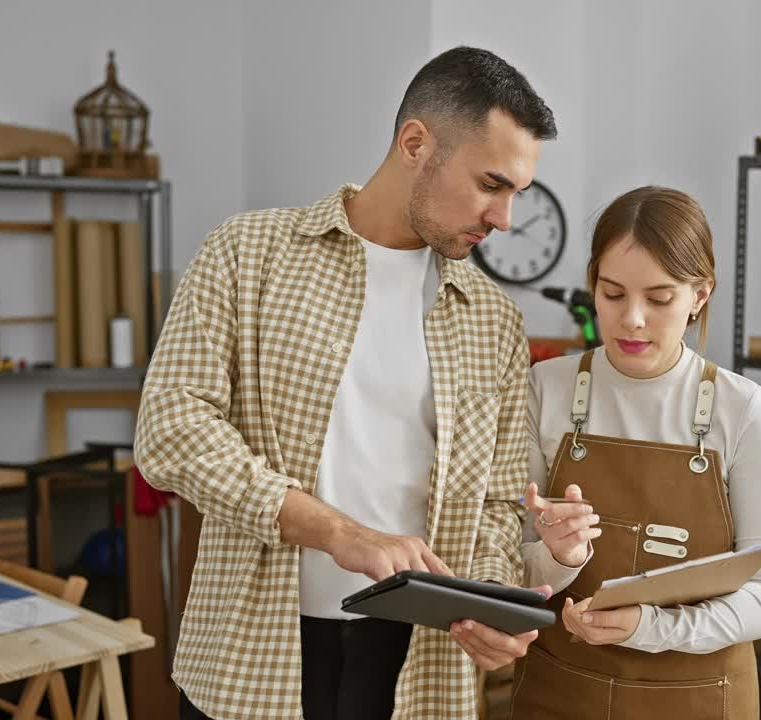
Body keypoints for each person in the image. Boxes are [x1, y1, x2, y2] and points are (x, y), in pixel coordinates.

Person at [133, 46, 557, 720]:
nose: (503, 218)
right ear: (416, 143)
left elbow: (499, 505)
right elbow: (171, 431)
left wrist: (493, 598)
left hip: (418, 663)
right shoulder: (248, 255)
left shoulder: (494, 320)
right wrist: (338, 532)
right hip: (253, 651)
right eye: (491, 184)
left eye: (515, 194)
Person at [511, 186, 761, 719]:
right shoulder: (544, 388)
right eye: (612, 293)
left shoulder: (744, 409)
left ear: (700, 295)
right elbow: (507, 567)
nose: (631, 319)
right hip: (560, 692)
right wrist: (559, 557)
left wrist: (652, 627)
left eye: (659, 299)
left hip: (702, 700)